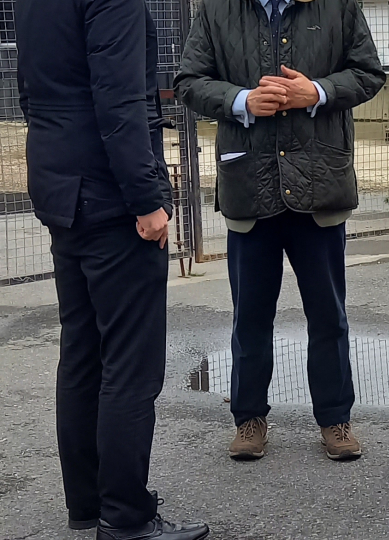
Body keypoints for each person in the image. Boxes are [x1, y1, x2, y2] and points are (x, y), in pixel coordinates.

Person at [15, 0, 209, 538]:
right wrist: (148, 199)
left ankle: (86, 503)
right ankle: (125, 515)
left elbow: (30, 89)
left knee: (82, 353)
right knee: (130, 363)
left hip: (61, 187)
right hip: (111, 196)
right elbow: (120, 98)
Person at [175, 0, 385, 462]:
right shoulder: (216, 11)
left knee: (328, 316)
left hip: (319, 187)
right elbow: (188, 81)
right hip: (251, 186)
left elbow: (369, 72)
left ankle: (335, 418)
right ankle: (248, 419)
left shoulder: (338, 7)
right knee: (249, 316)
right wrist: (240, 100)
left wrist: (319, 91)